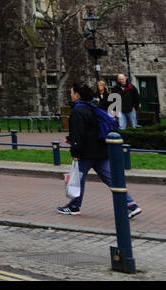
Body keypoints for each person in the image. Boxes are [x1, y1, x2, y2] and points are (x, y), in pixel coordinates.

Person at [58, 82, 142, 218]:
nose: (71, 95)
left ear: (77, 95)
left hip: (87, 152)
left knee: (78, 179)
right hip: (101, 149)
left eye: (72, 92)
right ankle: (131, 204)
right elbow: (92, 128)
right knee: (111, 178)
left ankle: (74, 206)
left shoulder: (78, 110)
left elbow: (79, 132)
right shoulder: (95, 107)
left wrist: (75, 151)